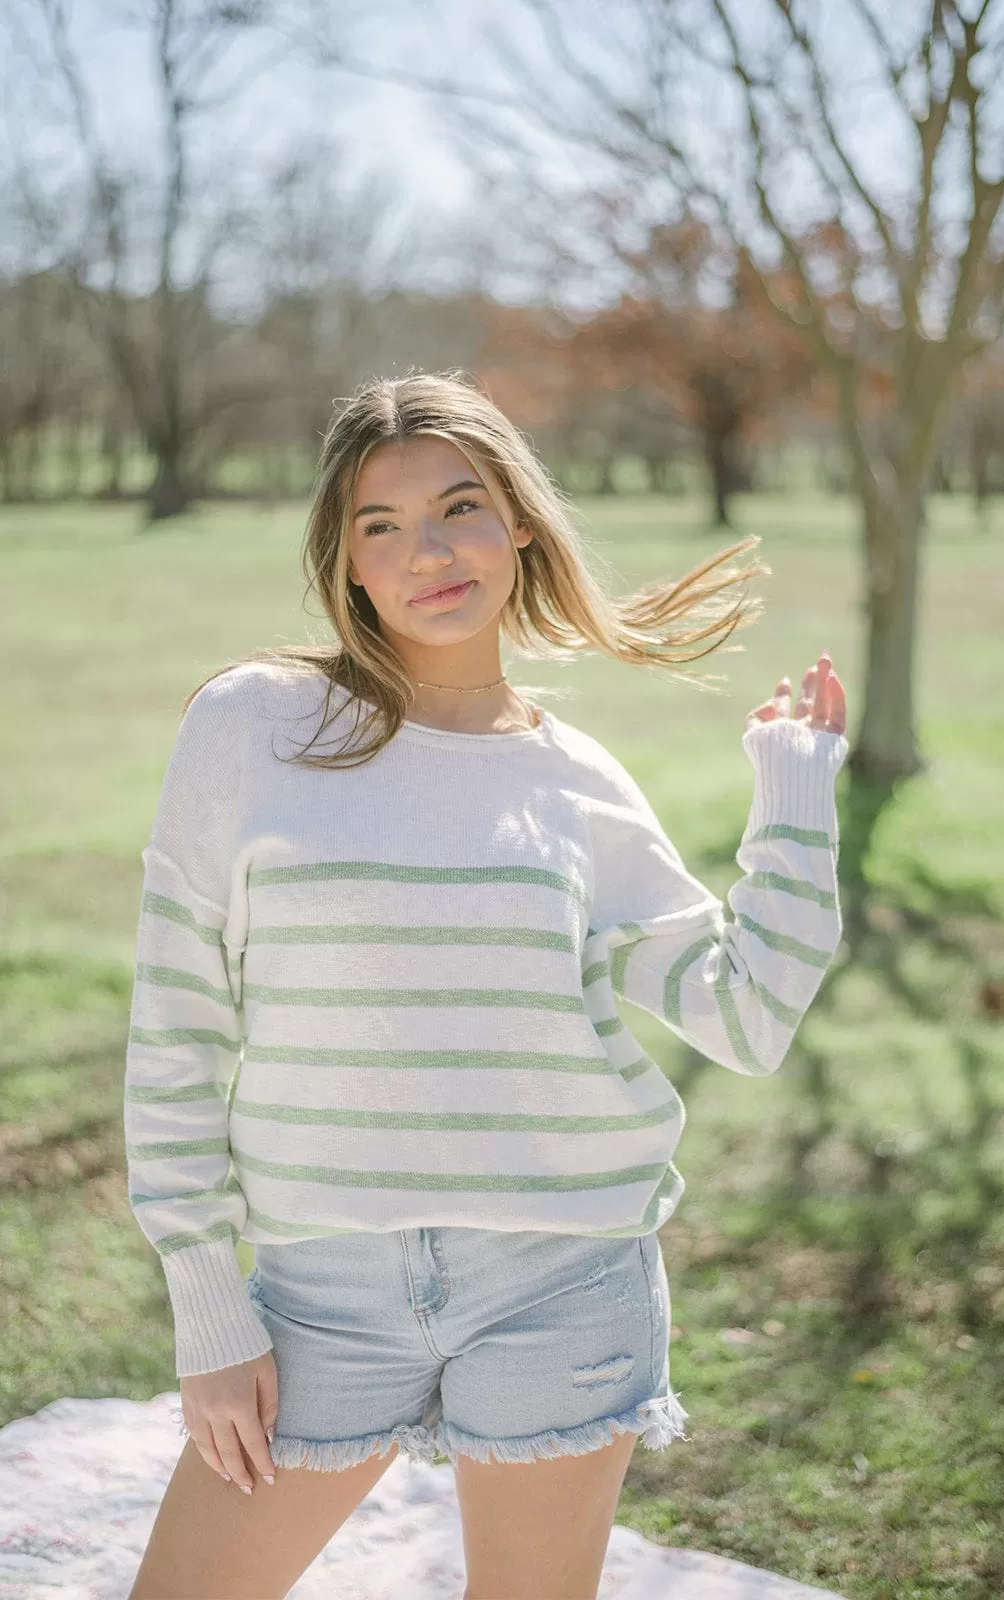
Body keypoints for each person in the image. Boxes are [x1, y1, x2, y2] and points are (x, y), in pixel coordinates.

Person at [124, 369, 849, 1600]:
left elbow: (747, 1014)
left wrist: (795, 801)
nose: (429, 552)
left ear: (517, 518)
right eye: (382, 525)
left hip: (564, 1280)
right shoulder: (255, 728)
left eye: (460, 507)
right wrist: (207, 1303)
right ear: (346, 563)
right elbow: (177, 1024)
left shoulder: (578, 781)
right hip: (322, 1292)